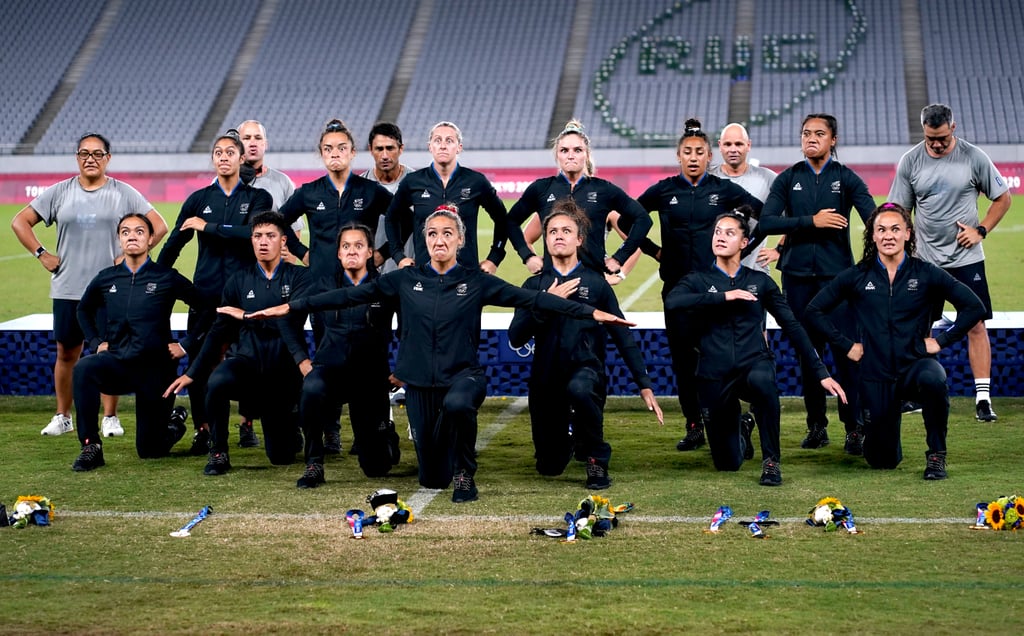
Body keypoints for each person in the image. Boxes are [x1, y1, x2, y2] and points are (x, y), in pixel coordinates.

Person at [247, 205, 634, 503]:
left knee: (459, 405)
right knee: (432, 477)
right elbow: (348, 294)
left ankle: (467, 472)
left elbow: (534, 298)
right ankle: (441, 458)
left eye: (447, 233)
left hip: (463, 378)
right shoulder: (405, 279)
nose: (439, 240)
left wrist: (593, 312)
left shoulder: (476, 281)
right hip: (419, 383)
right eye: (432, 234)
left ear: (460, 241)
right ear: (425, 240)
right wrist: (291, 307)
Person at [665, 207, 845, 485]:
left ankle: (771, 461)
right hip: (714, 371)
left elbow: (793, 327)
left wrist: (821, 372)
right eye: (717, 232)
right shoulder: (697, 280)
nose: (720, 237)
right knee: (728, 464)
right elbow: (672, 303)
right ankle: (742, 427)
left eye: (729, 233)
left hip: (753, 363)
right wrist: (723, 297)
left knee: (763, 382)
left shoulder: (760, 282)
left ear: (744, 242)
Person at [806, 203, 985, 479]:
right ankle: (882, 433)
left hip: (915, 365)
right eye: (881, 230)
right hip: (875, 372)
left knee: (934, 379)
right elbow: (813, 310)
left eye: (895, 229)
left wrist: (941, 341)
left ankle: (936, 455)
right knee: (882, 460)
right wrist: (846, 345)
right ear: (873, 236)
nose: (888, 236)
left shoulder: (926, 273)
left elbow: (974, 306)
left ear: (908, 234)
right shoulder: (858, 275)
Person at [11, 132, 167, 439]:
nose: (90, 159)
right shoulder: (59, 192)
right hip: (68, 286)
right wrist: (42, 255)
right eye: (84, 154)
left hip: (111, 291)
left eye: (97, 154)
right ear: (77, 158)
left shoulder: (123, 192)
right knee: (66, 352)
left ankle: (109, 417)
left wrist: (130, 255)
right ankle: (62, 415)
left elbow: (158, 225)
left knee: (109, 352)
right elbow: (20, 221)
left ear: (108, 158)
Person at [508, 199, 662, 488]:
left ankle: (596, 459)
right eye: (552, 231)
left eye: (566, 231)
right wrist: (548, 304)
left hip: (586, 372)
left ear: (579, 239)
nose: (558, 236)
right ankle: (568, 438)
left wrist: (644, 384)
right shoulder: (533, 286)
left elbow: (622, 334)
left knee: (579, 389)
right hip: (546, 379)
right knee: (549, 467)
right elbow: (516, 337)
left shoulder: (597, 284)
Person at [634, 118, 763, 452]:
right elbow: (625, 216)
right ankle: (693, 425)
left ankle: (735, 421)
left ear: (709, 158)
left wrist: (742, 246)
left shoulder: (722, 190)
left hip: (714, 292)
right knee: (682, 362)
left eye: (700, 152)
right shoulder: (664, 190)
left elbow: (762, 214)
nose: (693, 157)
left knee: (720, 360)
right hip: (676, 292)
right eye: (687, 152)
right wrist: (652, 250)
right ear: (679, 156)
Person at [758, 113, 875, 453]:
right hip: (796, 280)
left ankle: (854, 427)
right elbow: (766, 223)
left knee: (846, 354)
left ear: (833, 140)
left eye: (819, 133)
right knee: (809, 356)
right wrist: (812, 221)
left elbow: (873, 217)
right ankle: (816, 426)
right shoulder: (788, 178)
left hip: (838, 282)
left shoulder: (846, 178)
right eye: (806, 133)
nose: (811, 138)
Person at [887, 104, 1011, 422]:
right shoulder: (911, 161)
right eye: (930, 139)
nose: (936, 144)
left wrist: (981, 230)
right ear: (923, 131)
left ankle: (983, 399)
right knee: (916, 327)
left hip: (966, 259)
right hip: (924, 261)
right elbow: (899, 209)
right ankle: (914, 394)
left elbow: (1003, 197)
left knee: (975, 324)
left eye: (941, 138)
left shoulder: (973, 157)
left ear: (953, 127)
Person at [165, 212, 313, 475]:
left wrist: (246, 316)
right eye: (257, 236)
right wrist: (192, 372)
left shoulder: (300, 278)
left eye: (270, 236)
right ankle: (219, 452)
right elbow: (219, 329)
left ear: (284, 242)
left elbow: (287, 317)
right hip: (247, 363)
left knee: (281, 456)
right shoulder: (238, 280)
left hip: (284, 371)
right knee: (218, 381)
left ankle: (290, 423)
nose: (263, 242)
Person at [278, 119, 394, 454]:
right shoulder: (309, 192)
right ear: (321, 154)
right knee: (328, 357)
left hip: (364, 288)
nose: (335, 154)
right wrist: (301, 253)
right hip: (323, 289)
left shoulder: (370, 191)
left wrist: (383, 254)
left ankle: (367, 430)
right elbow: (279, 222)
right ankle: (330, 430)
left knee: (367, 357)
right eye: (328, 149)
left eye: (341, 148)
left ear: (353, 153)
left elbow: (402, 217)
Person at [157, 129, 274, 454]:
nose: (224, 157)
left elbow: (251, 233)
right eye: (218, 152)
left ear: (240, 158)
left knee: (249, 358)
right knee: (200, 361)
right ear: (213, 159)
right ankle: (203, 429)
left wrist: (207, 227)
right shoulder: (197, 200)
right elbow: (174, 243)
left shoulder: (258, 198)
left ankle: (247, 423)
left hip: (245, 294)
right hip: (205, 295)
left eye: (230, 152)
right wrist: (155, 276)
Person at [70, 214, 198, 471]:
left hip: (155, 369)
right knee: (84, 368)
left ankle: (173, 423)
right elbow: (83, 310)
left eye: (139, 231)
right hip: (117, 363)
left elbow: (206, 309)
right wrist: (96, 342)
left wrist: (185, 344)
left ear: (150, 239)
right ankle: (90, 446)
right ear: (119, 239)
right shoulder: (107, 278)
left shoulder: (166, 277)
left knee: (150, 451)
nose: (132, 236)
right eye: (125, 232)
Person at [293, 223, 400, 488]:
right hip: (331, 370)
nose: (352, 251)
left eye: (358, 246)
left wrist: (404, 367)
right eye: (346, 246)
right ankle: (314, 463)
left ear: (370, 252)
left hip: (370, 377)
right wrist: (301, 358)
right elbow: (288, 315)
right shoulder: (323, 285)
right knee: (311, 388)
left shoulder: (386, 287)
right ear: (339, 254)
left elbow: (411, 327)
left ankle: (385, 436)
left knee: (377, 469)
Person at [505, 119, 652, 281]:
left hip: (593, 284)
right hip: (553, 284)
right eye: (564, 150)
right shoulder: (541, 189)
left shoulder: (604, 190)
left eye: (577, 150)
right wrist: (528, 257)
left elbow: (643, 219)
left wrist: (619, 260)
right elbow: (511, 222)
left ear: (586, 154)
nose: (570, 156)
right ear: (557, 154)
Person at [384, 121, 510, 272]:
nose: (443, 145)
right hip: (424, 275)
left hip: (466, 275)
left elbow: (502, 218)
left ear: (459, 147)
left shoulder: (476, 181)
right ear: (430, 146)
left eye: (449, 141)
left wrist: (494, 257)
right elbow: (391, 217)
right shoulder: (413, 182)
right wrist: (398, 255)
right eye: (437, 140)